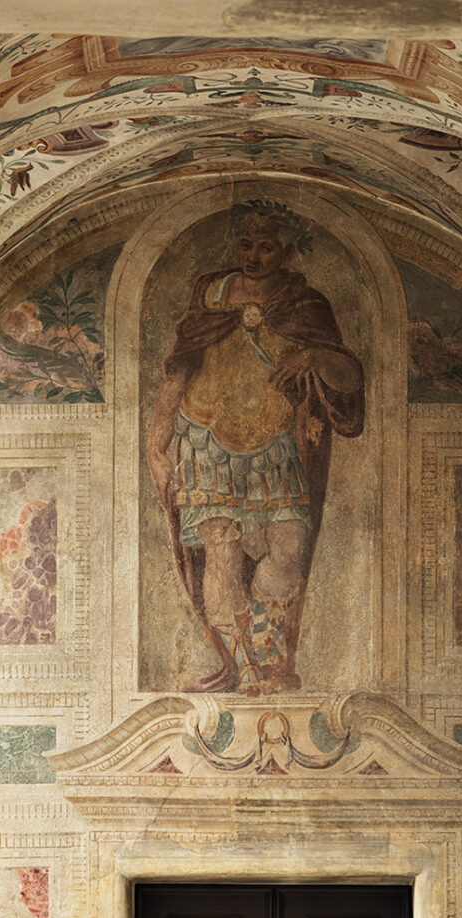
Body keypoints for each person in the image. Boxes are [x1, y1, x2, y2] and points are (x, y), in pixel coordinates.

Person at [147, 203, 365, 693]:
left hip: (275, 441)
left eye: (266, 247)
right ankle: (246, 667)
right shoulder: (211, 296)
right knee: (221, 552)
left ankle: (267, 657)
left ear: (286, 252)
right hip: (205, 438)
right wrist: (157, 442)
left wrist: (314, 355)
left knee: (288, 549)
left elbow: (349, 378)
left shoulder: (305, 304)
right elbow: (178, 368)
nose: (253, 256)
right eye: (246, 244)